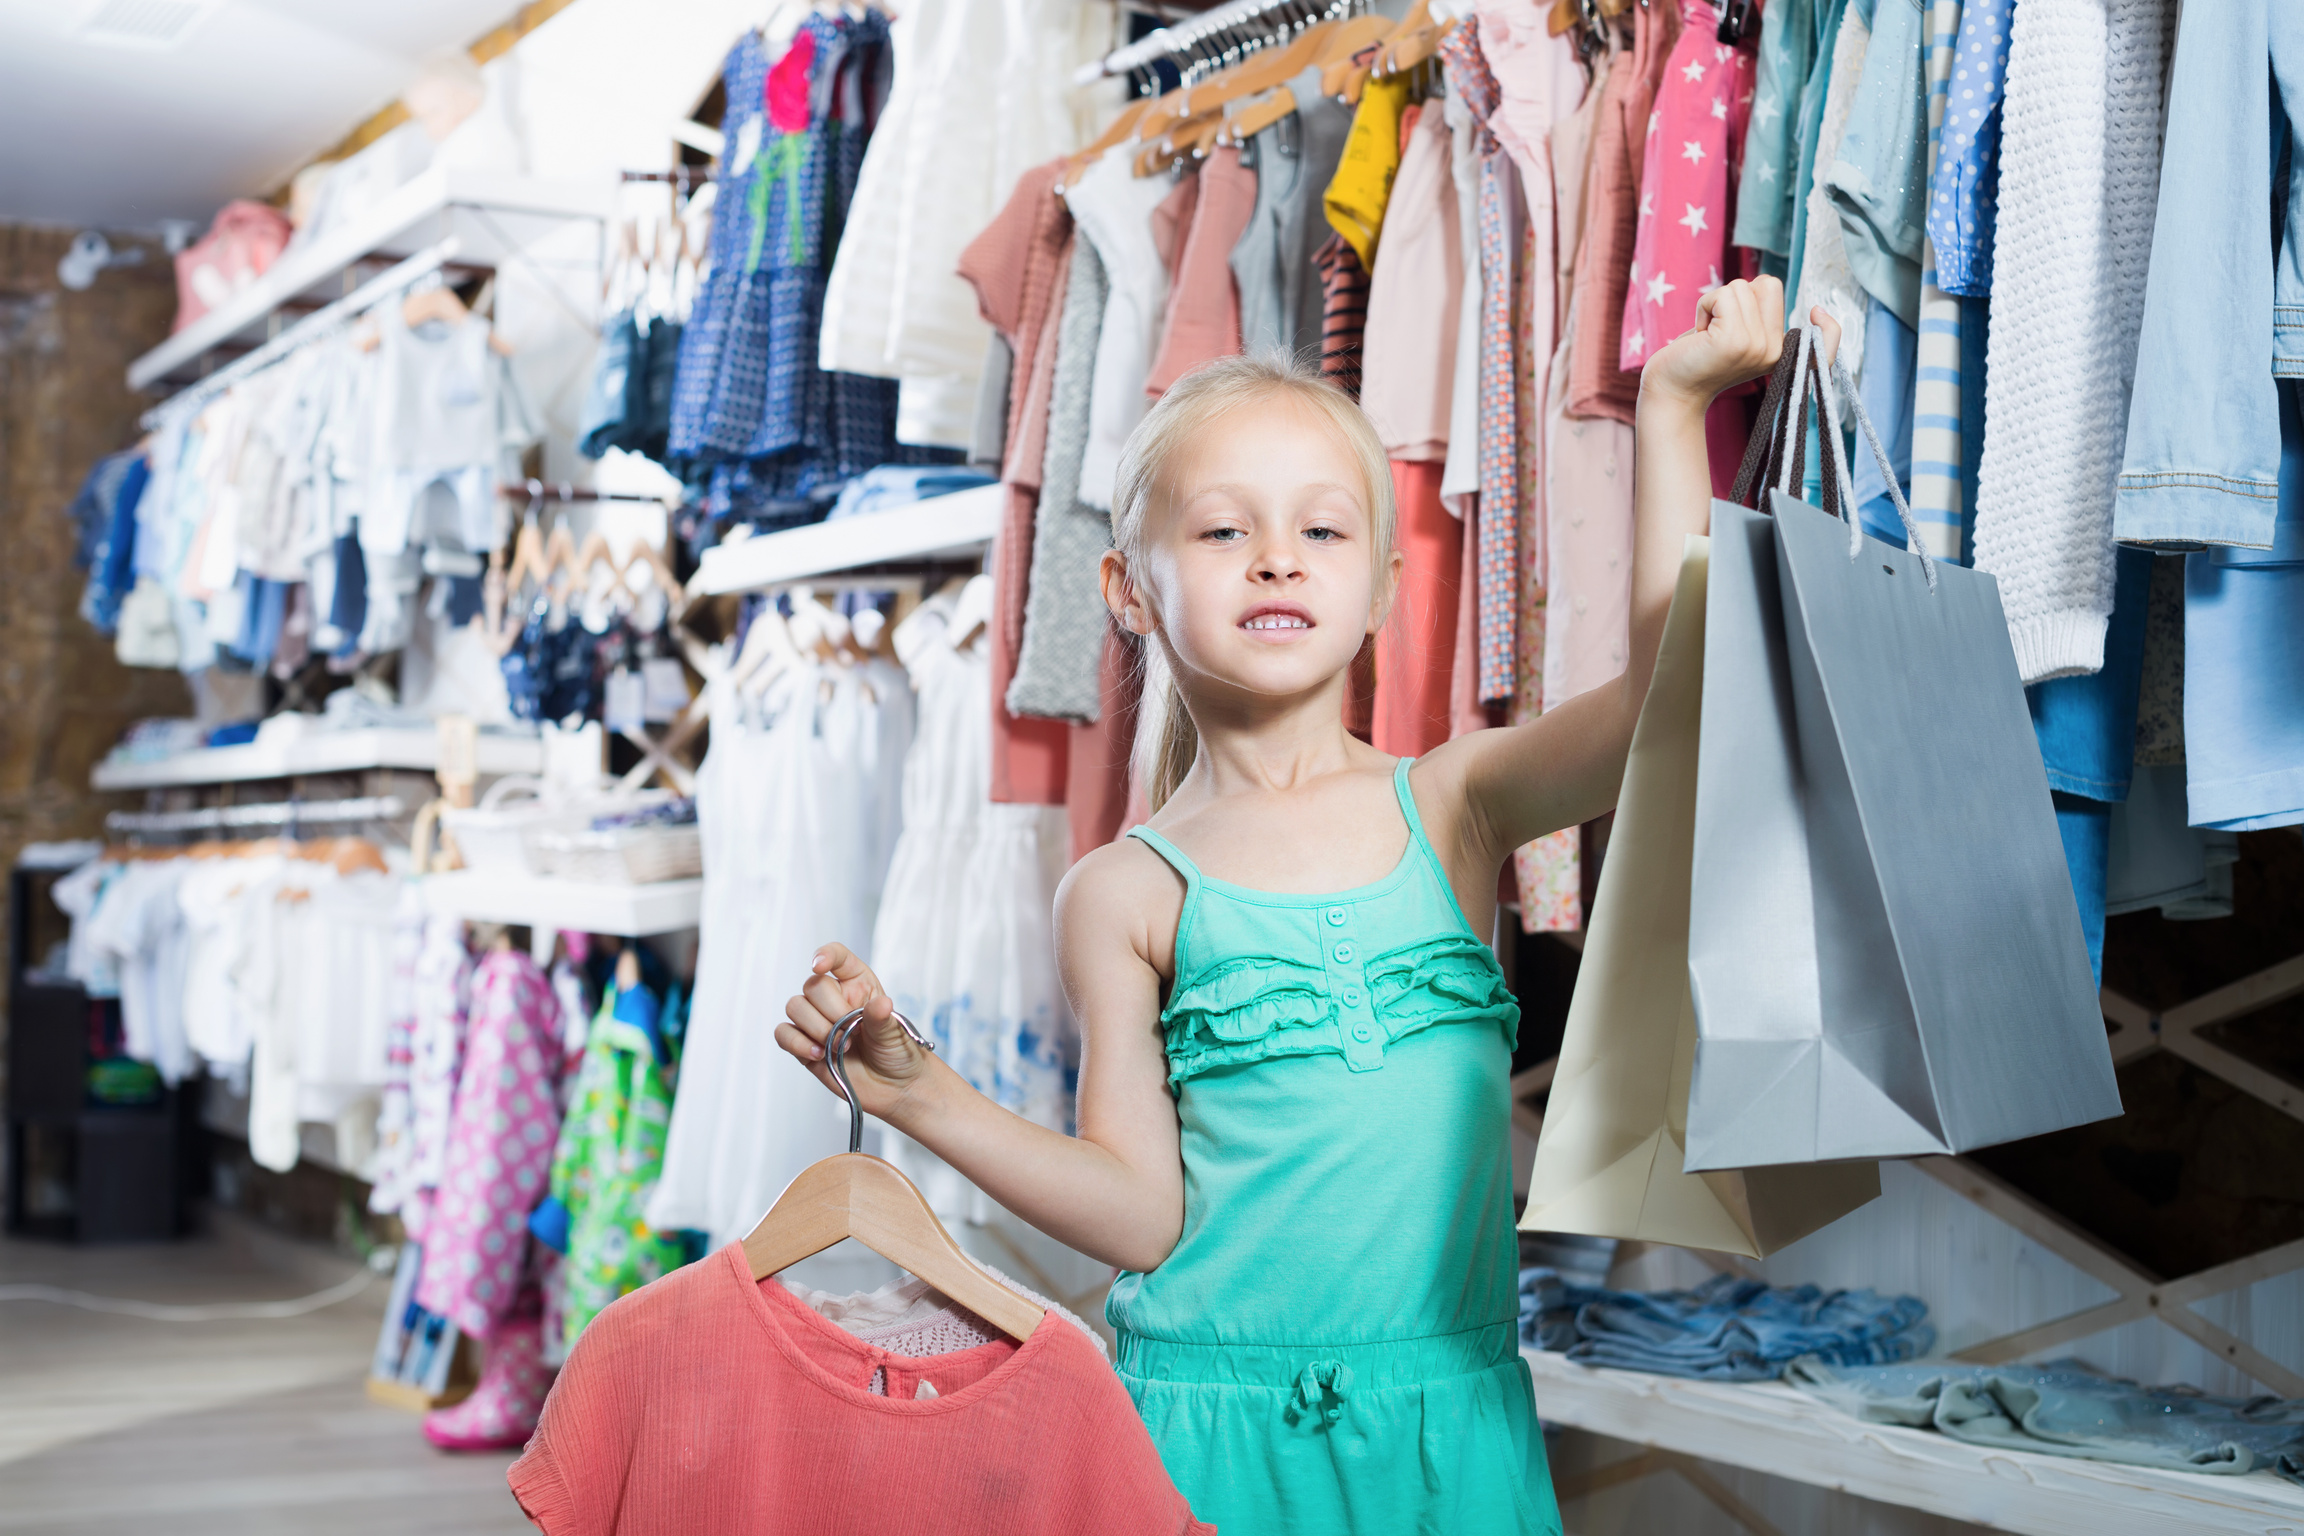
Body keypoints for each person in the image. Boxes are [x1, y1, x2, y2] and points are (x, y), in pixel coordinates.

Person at [779, 277, 1830, 1534]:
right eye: (1225, 531)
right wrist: (917, 1098)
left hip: (1451, 1429)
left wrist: (1670, 404)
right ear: (1126, 588)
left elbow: (1667, 704)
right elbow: (1143, 1214)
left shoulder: (1453, 806)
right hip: (1204, 1437)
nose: (1277, 555)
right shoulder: (1123, 889)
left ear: (1383, 589)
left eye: (1322, 533)